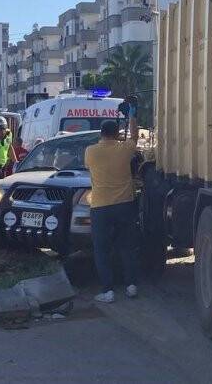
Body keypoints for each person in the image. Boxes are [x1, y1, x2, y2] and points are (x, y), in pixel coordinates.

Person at [85, 112, 140, 304]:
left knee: (102, 250)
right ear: (117, 134)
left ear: (101, 133)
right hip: (124, 205)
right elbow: (134, 136)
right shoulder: (124, 149)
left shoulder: (90, 151)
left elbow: (88, 167)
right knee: (127, 246)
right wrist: (132, 116)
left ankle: (108, 290)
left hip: (100, 206)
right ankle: (131, 285)